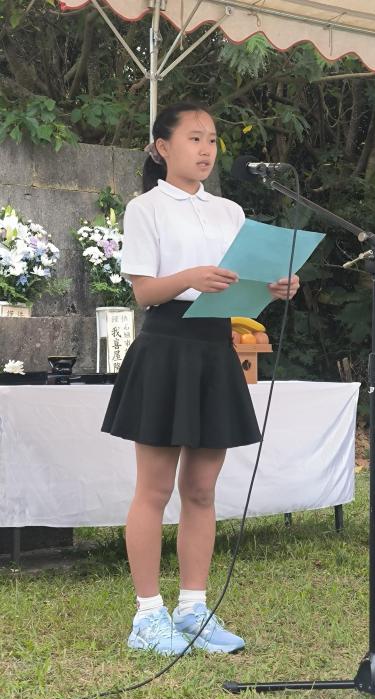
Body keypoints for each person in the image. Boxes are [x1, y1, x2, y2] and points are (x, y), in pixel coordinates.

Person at [101, 101, 300, 655]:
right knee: (154, 488)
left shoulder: (230, 211)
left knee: (202, 490)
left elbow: (241, 290)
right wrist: (189, 276)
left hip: (216, 348)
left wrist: (273, 289)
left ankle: (193, 609)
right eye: (194, 138)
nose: (206, 149)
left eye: (212, 139)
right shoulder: (145, 208)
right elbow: (144, 292)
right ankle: (147, 617)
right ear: (162, 148)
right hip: (166, 347)